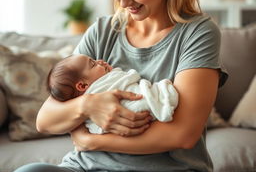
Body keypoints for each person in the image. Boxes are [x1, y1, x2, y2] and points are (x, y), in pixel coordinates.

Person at [14, 0, 228, 172]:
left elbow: (182, 135)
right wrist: (87, 105)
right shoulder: (104, 31)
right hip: (84, 167)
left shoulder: (198, 33)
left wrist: (90, 140)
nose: (123, 1)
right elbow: (46, 119)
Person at [47, 54, 179, 134]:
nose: (99, 60)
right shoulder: (100, 84)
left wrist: (88, 141)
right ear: (82, 86)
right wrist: (87, 104)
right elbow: (43, 122)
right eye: (93, 64)